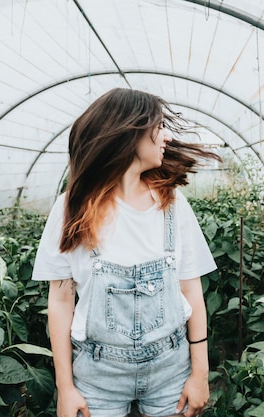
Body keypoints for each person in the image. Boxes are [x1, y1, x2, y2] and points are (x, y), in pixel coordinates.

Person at [32, 88, 220, 417]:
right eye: (159, 127)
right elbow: (61, 302)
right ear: (129, 133)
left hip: (170, 370)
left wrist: (200, 373)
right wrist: (66, 388)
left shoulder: (173, 206)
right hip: (98, 376)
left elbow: (191, 289)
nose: (168, 136)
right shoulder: (70, 210)